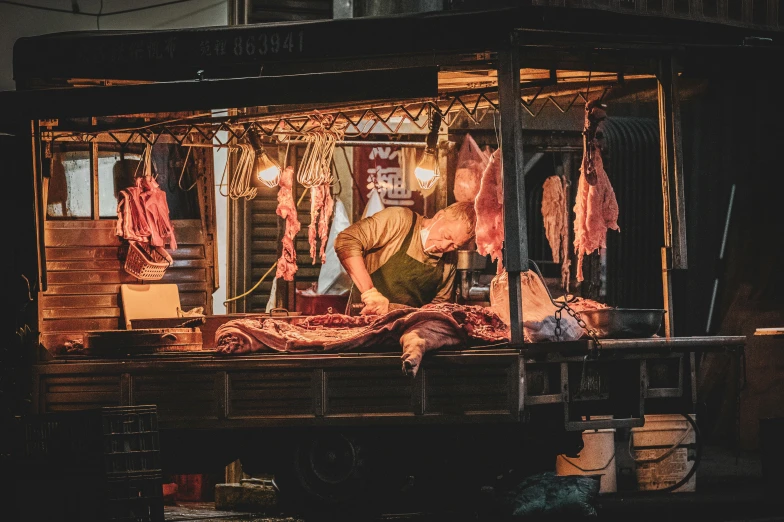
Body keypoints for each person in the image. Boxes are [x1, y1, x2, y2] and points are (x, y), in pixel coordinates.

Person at [334, 201, 477, 315]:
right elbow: (346, 240)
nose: (445, 246)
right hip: (364, 321)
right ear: (439, 216)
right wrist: (369, 292)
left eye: (454, 246)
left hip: (408, 332)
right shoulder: (400, 220)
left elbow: (439, 305)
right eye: (446, 236)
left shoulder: (449, 259)